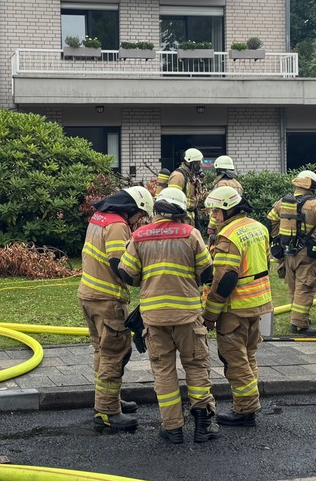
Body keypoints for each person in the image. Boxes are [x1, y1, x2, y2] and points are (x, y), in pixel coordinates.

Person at [116, 187, 219, 444]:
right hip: (187, 316)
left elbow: (127, 274)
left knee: (163, 371)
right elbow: (207, 273)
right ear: (181, 211)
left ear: (157, 210)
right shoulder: (191, 234)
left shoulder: (139, 236)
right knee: (196, 366)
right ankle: (203, 425)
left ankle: (172, 428)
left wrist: (147, 278)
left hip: (154, 318)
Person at [78, 186, 154, 433]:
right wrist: (145, 279)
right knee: (115, 354)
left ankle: (107, 400)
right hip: (108, 300)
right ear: (131, 208)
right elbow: (118, 263)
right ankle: (108, 413)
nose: (138, 221)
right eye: (139, 215)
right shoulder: (118, 225)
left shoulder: (99, 218)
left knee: (102, 351)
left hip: (89, 296)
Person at [203, 186, 272, 427]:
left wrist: (210, 314)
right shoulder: (258, 226)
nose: (213, 215)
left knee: (234, 360)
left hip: (234, 308)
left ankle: (245, 409)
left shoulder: (228, 237)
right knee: (249, 355)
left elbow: (225, 279)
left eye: (216, 211)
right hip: (257, 303)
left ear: (227, 209)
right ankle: (249, 404)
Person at [266, 170, 316, 336]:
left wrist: (277, 239)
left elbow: (270, 221)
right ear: (313, 185)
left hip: (288, 252)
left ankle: (299, 317)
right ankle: (299, 325)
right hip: (307, 254)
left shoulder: (282, 202)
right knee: (305, 287)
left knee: (294, 286)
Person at [206, 155, 242, 238]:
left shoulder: (221, 184)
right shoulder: (237, 184)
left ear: (219, 171)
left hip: (221, 223)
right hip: (235, 222)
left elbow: (216, 208)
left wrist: (211, 226)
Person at [165, 148, 206, 223]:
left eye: (199, 164)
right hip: (180, 219)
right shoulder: (178, 176)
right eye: (196, 164)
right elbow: (173, 200)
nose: (199, 167)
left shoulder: (191, 176)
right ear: (188, 162)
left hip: (189, 217)